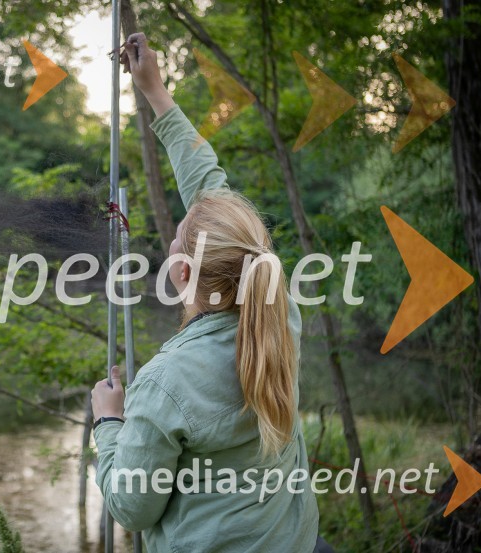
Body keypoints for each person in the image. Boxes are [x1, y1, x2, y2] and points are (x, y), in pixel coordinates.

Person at [91, 32, 323, 553]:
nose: (173, 237)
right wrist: (156, 93)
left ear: (180, 274)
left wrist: (108, 422)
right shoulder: (279, 312)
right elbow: (210, 192)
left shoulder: (165, 383)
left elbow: (131, 506)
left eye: (177, 238)